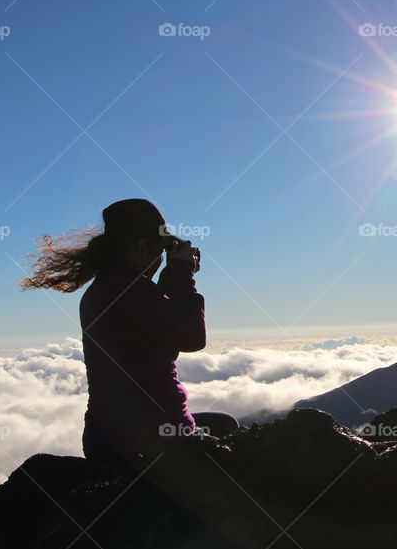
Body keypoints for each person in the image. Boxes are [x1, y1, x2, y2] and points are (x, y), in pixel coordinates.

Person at [21, 198, 238, 467]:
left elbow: (150, 323)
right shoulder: (131, 291)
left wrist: (170, 281)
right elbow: (193, 338)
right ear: (141, 247)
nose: (162, 259)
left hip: (107, 436)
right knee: (229, 430)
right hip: (151, 439)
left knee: (222, 423)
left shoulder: (106, 289)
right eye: (161, 250)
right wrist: (183, 274)